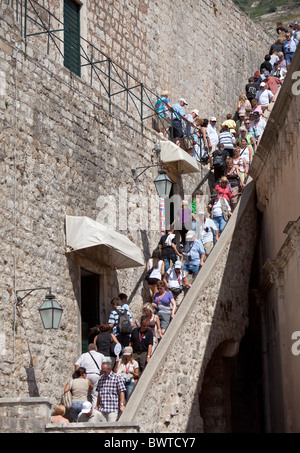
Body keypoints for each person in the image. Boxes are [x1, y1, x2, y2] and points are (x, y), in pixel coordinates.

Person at [74, 343, 105, 408]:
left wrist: (78, 376)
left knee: (86, 394)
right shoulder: (101, 355)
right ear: (96, 349)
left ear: (88, 349)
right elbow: (104, 365)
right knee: (94, 395)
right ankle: (93, 410)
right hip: (95, 375)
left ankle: (86, 410)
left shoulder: (84, 355)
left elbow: (76, 365)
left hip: (85, 376)